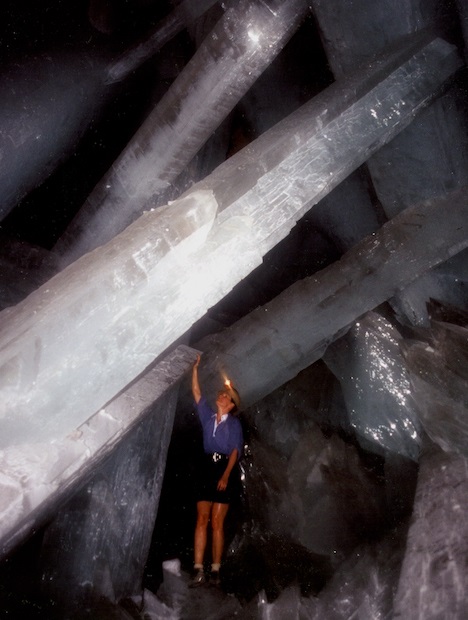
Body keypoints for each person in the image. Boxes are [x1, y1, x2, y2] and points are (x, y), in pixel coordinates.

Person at [190, 354, 243, 587]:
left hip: (224, 468)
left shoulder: (234, 424)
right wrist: (194, 369)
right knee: (201, 518)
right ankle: (198, 569)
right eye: (221, 394)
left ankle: (216, 571)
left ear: (231, 405)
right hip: (206, 467)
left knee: (216, 522)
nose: (221, 396)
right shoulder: (208, 417)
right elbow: (197, 394)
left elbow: (234, 451)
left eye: (226, 396)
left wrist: (225, 475)